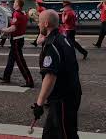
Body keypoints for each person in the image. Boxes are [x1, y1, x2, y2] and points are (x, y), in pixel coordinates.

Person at [32, 9, 82, 139]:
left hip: (63, 99)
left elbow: (50, 77)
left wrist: (39, 103)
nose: (38, 25)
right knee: (50, 134)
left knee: (66, 134)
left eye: (40, 22)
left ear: (46, 24)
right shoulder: (63, 38)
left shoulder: (51, 45)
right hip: (71, 92)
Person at [0, 0, 34, 88]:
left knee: (20, 61)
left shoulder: (16, 14)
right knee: (11, 59)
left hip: (16, 40)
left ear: (17, 4)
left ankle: (29, 81)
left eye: (14, 2)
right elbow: (16, 23)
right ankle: (6, 77)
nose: (13, 4)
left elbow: (13, 28)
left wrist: (2, 29)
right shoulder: (23, 13)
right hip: (19, 39)